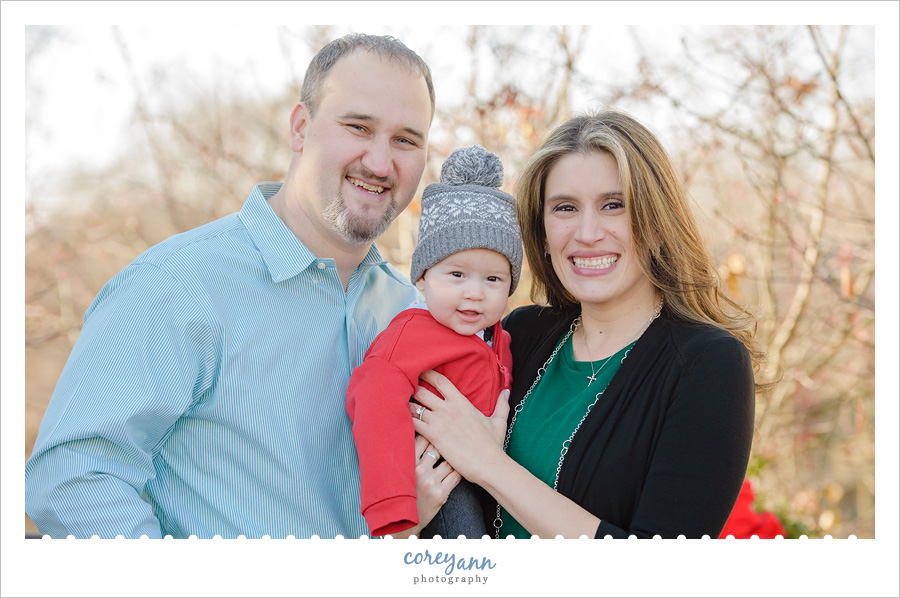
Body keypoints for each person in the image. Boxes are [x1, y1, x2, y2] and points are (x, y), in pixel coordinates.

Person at [24, 33, 441, 539]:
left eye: (406, 139)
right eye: (358, 127)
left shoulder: (411, 308)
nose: (379, 162)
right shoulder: (176, 284)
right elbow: (70, 478)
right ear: (301, 128)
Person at [409, 109, 765, 539]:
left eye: (613, 205)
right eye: (565, 208)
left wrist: (488, 463)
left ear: (655, 224)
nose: (587, 232)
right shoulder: (517, 335)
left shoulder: (707, 364)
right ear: (541, 231)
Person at [346, 146, 522, 539]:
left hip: (485, 478)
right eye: (457, 274)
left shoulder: (500, 338)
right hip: (438, 483)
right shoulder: (412, 335)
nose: (475, 293)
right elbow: (374, 395)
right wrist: (392, 499)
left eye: (493, 279)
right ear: (423, 278)